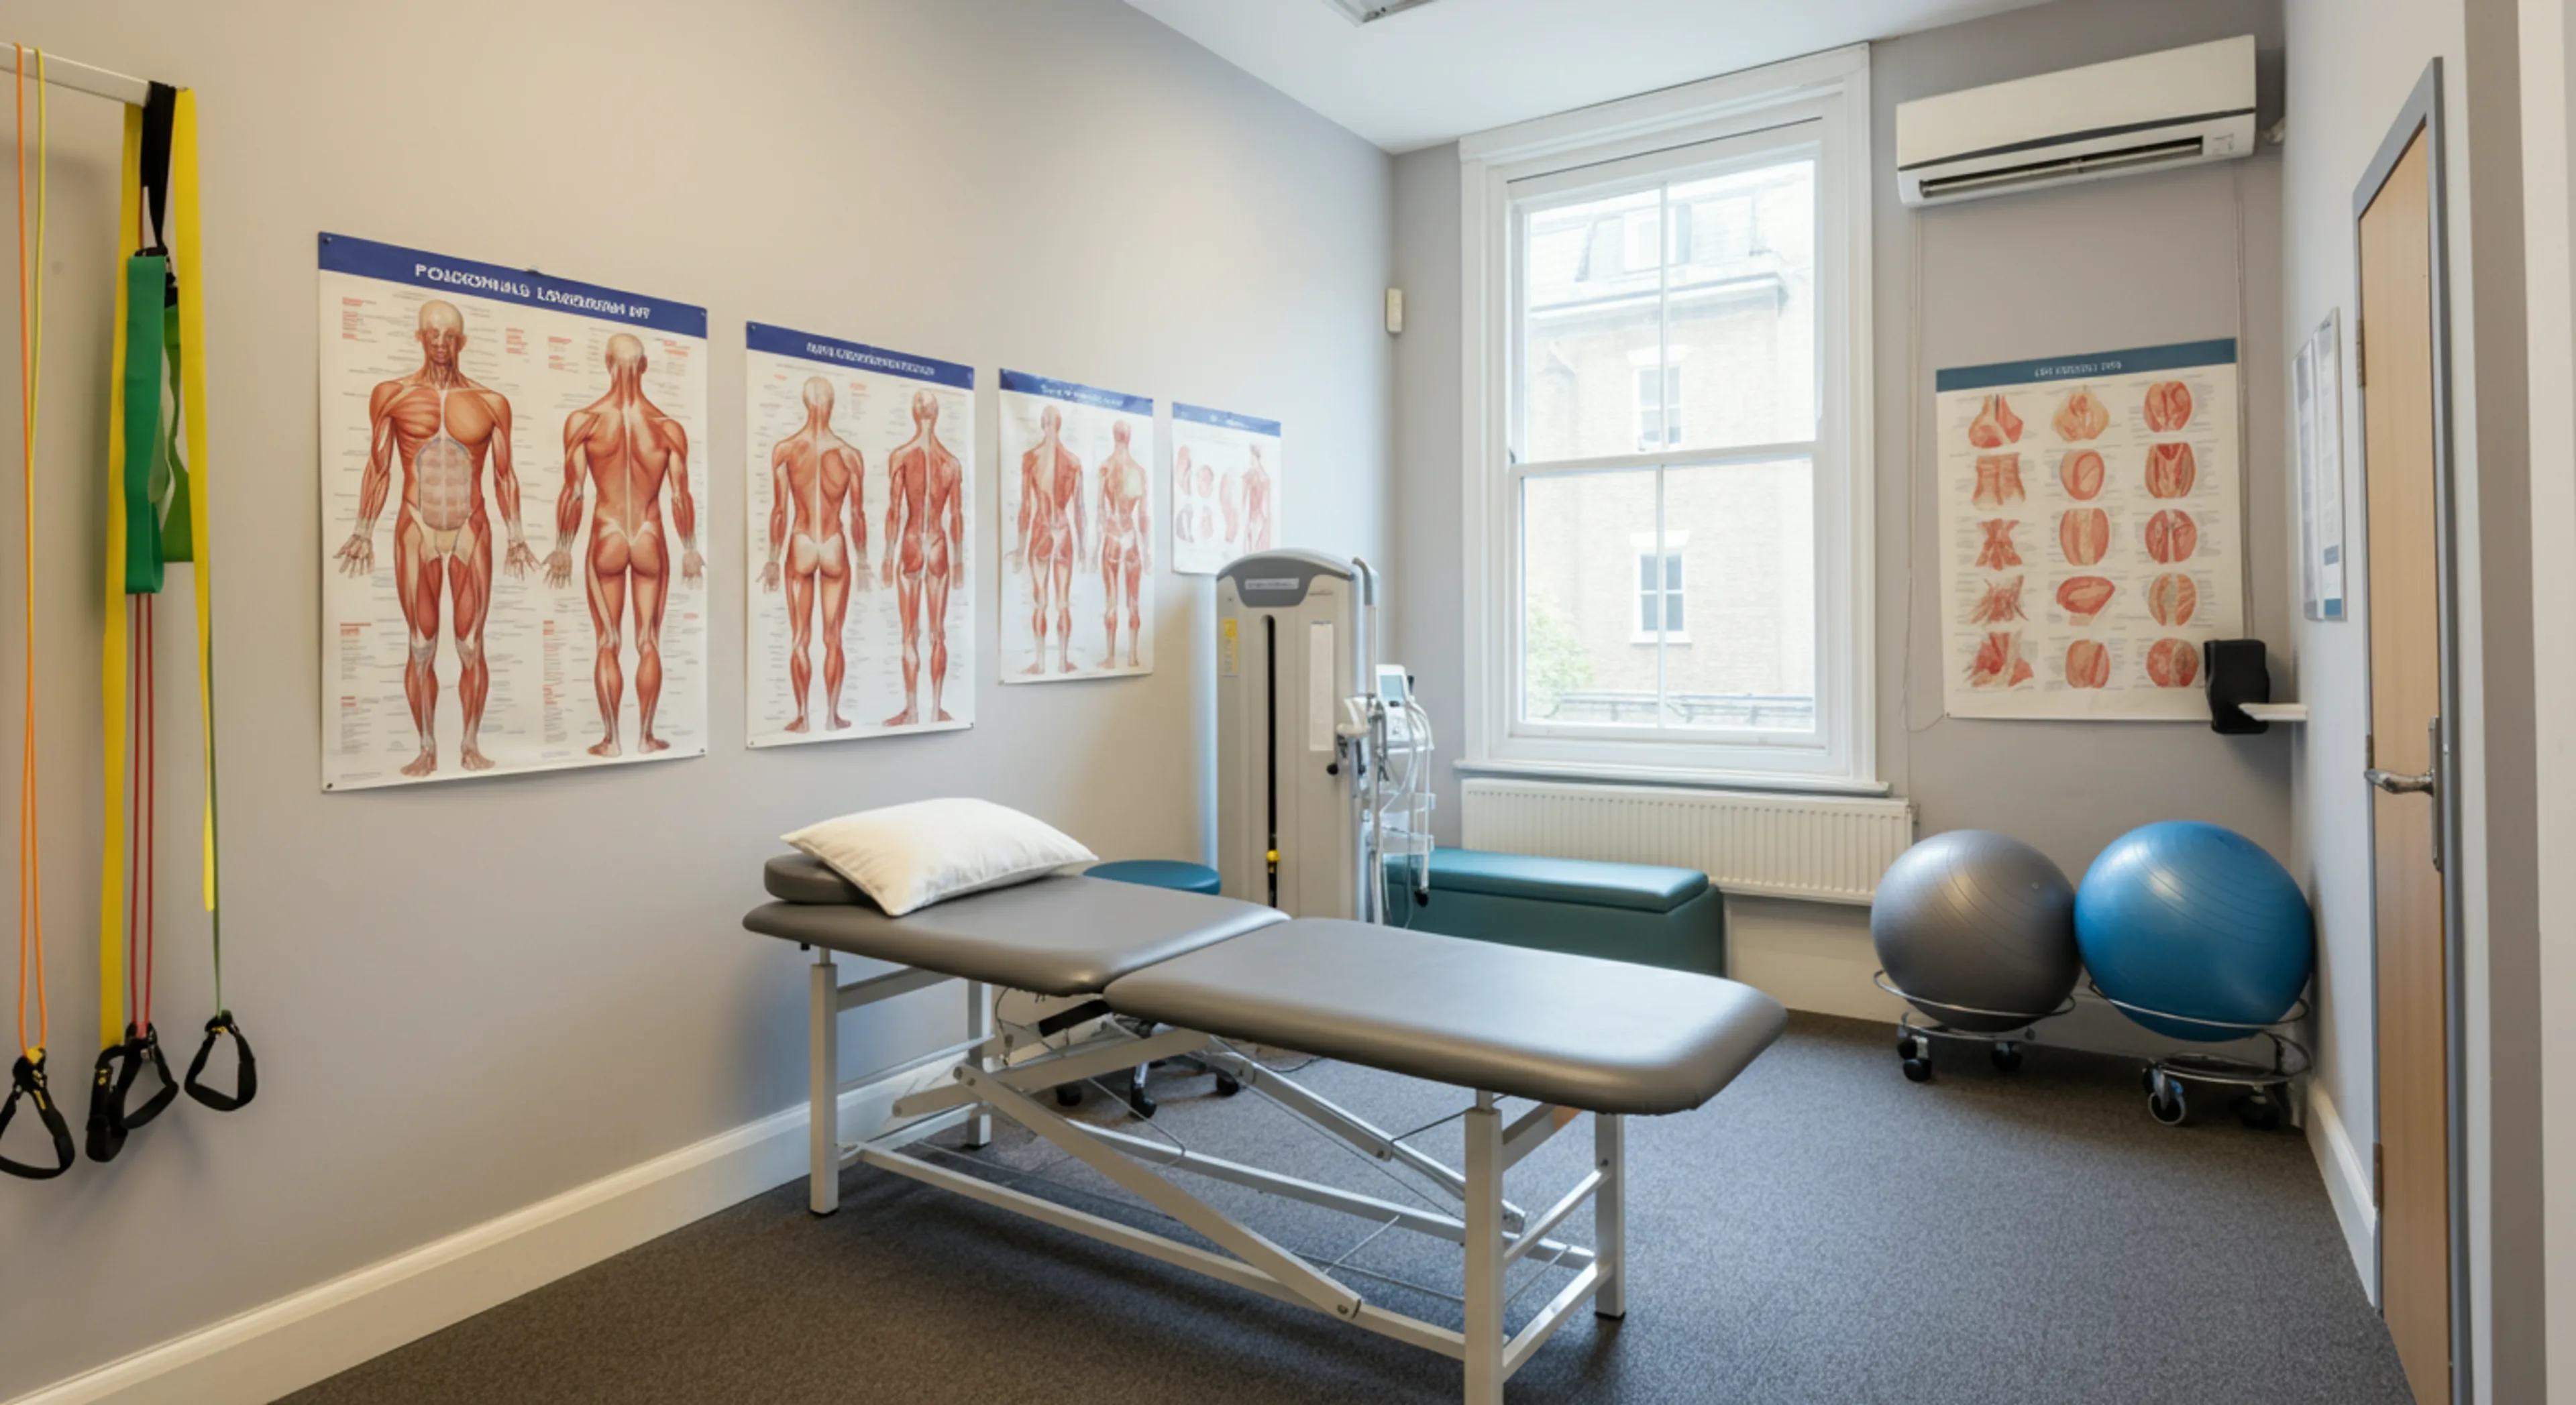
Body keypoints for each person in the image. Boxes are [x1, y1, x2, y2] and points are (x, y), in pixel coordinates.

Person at [333, 300, 535, 777]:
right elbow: (378, 466)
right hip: (416, 525)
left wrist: (517, 535)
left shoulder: (491, 403)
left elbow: (504, 475)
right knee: (421, 644)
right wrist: (363, 528)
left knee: (470, 645)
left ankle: (468, 744)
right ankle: (427, 746)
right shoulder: (392, 394)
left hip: (471, 524)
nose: (441, 344)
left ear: (462, 341)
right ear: (420, 337)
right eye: (432, 334)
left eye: (450, 336)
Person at [545, 333, 701, 756]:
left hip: (608, 533)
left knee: (608, 641)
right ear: (645, 366)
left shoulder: (586, 421)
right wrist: (689, 547)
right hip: (649, 535)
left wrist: (563, 544)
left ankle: (612, 740)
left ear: (607, 363)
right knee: (648, 640)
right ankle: (647, 738)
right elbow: (678, 497)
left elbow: (574, 492)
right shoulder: (667, 428)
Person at [759, 377, 866, 733]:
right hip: (834, 541)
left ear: (806, 404)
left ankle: (804, 717)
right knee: (833, 636)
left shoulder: (786, 450)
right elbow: (858, 515)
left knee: (799, 638)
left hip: (802, 540)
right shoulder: (850, 455)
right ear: (831, 404)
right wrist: (863, 560)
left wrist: (774, 558)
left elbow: (779, 511)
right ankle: (832, 717)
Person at [881, 390, 965, 723]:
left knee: (909, 633)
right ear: (937, 413)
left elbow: (894, 510)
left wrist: (888, 557)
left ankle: (914, 709)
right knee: (937, 633)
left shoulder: (902, 455)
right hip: (940, 544)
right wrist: (958, 563)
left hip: (914, 540)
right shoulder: (951, 461)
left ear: (915, 415)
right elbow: (956, 516)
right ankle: (934, 709)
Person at [1008, 404, 1085, 674]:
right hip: (1063, 531)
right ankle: (1063, 661)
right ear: (1059, 424)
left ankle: (1041, 663)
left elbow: (1026, 509)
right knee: (1062, 602)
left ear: (1042, 424)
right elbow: (1079, 511)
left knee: (1040, 601)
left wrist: (1020, 548)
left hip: (1041, 530)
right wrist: (1084, 547)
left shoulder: (1031, 458)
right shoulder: (1073, 461)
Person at [1093, 419, 1150, 669]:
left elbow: (1100, 511)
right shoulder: (1139, 471)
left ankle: (1111, 658)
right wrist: (1146, 550)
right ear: (1130, 437)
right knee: (1133, 601)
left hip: (1113, 536)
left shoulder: (1106, 467)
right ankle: (1133, 657)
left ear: (1114, 436)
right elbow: (1143, 516)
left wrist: (1096, 546)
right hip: (1131, 536)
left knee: (1112, 600)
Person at [1241, 444, 1275, 553]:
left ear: (1255, 457)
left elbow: (1265, 504)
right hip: (1255, 517)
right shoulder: (1257, 475)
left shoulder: (1261, 477)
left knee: (1253, 547)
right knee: (1251, 545)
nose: (1250, 460)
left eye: (1251, 457)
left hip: (1257, 518)